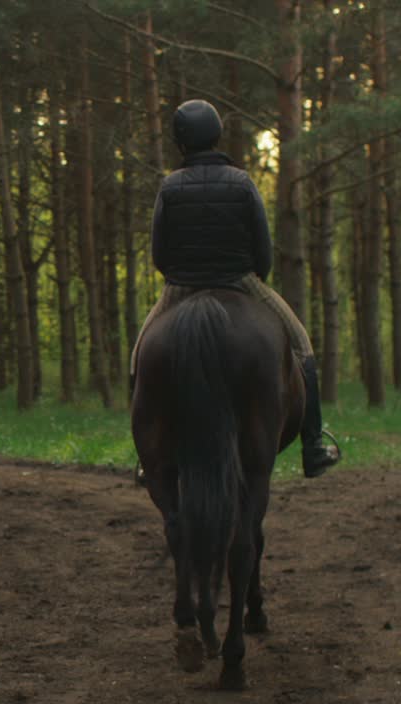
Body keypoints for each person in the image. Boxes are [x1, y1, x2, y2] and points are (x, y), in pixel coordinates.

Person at [131, 99, 340, 478]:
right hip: (241, 281)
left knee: (140, 355)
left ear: (181, 141)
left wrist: (178, 276)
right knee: (301, 345)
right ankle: (313, 445)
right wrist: (254, 277)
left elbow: (159, 253)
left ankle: (148, 454)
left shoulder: (170, 187)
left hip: (180, 288)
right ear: (216, 135)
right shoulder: (243, 183)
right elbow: (263, 249)